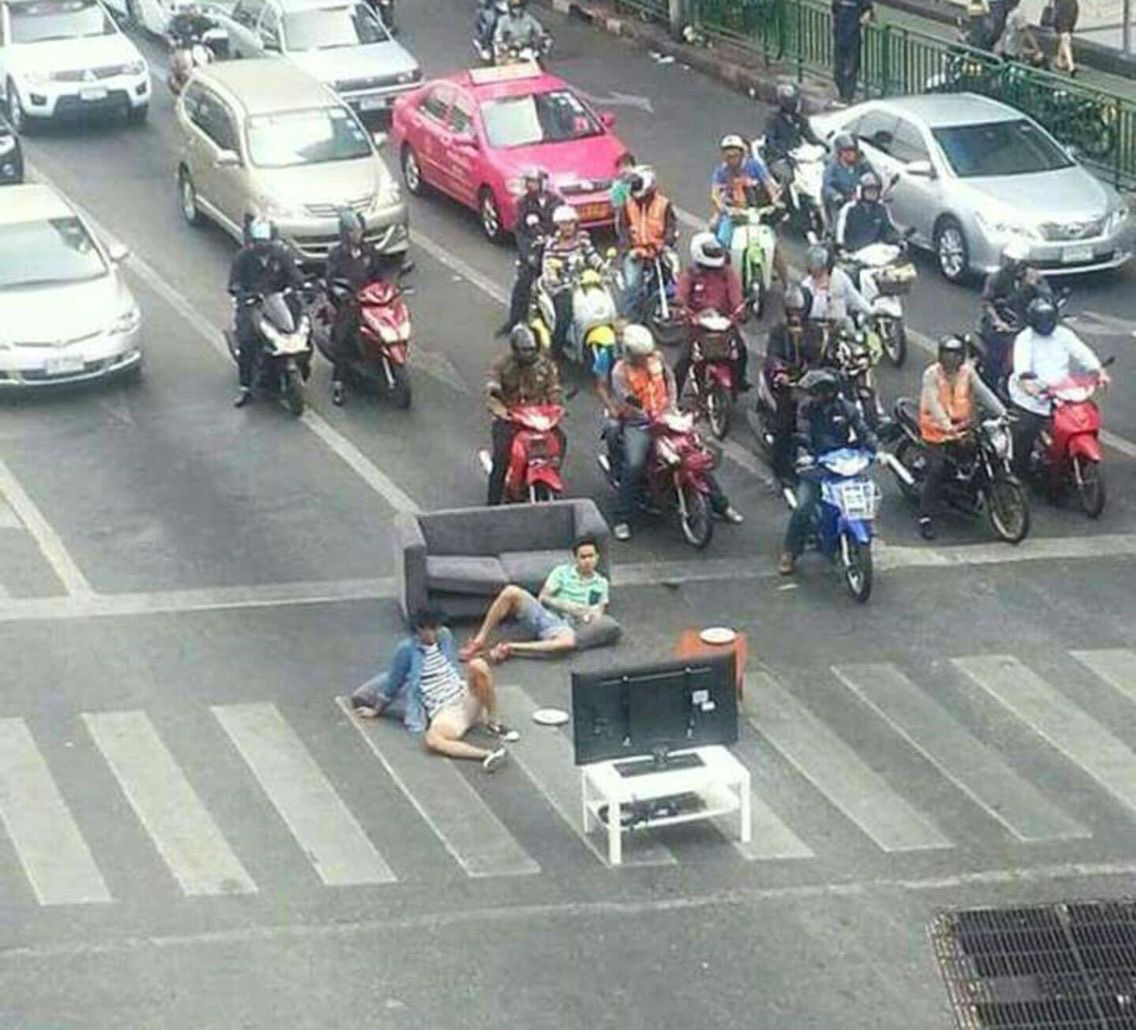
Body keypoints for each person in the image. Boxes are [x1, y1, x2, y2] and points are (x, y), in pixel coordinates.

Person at [609, 324, 743, 541]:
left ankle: (723, 505)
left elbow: (671, 381)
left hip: (668, 417)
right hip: (640, 424)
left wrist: (671, 406)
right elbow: (626, 399)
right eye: (641, 355)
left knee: (692, 456)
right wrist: (645, 415)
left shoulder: (658, 360)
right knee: (634, 465)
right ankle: (622, 519)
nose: (646, 359)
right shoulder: (619, 371)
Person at [348, 608, 514, 773]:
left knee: (478, 666)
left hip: (464, 693)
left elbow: (454, 663)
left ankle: (494, 723)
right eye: (432, 629)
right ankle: (487, 755)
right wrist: (376, 710)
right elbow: (393, 683)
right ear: (420, 629)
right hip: (444, 710)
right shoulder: (407, 650)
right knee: (433, 740)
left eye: (437, 627)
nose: (436, 631)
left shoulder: (444, 636)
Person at [457, 536, 620, 663]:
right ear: (575, 558)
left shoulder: (601, 583)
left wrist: (589, 616)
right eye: (583, 557)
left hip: (568, 627)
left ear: (597, 557)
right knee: (511, 591)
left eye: (591, 556)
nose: (587, 561)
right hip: (546, 616)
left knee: (569, 642)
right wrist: (568, 606)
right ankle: (479, 640)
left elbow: (598, 613)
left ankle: (511, 647)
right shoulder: (561, 572)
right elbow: (543, 597)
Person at [778, 368, 877, 574]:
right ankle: (789, 552)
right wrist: (805, 455)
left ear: (827, 392)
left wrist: (878, 451)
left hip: (843, 464)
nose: (811, 396)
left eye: (815, 392)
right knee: (803, 507)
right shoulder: (806, 408)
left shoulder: (846, 408)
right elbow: (803, 432)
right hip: (816, 466)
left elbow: (864, 431)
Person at [917, 334, 1007, 540]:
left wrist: (1003, 413)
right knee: (936, 470)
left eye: (956, 354)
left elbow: (984, 393)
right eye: (947, 353)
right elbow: (933, 403)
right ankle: (926, 517)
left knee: (983, 453)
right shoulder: (931, 374)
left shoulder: (967, 372)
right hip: (936, 429)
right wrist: (946, 426)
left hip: (963, 425)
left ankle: (968, 491)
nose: (951, 358)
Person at [1007, 296, 1106, 477]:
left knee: (1088, 411)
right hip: (1034, 396)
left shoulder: (1063, 334)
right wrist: (1029, 385)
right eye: (1041, 320)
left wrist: (1098, 370)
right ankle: (1019, 471)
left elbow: (1082, 353)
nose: (1045, 324)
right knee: (1027, 429)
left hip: (1063, 390)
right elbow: (1022, 368)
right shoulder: (1024, 339)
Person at [228, 215, 303, 408]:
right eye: (260, 242)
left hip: (277, 304)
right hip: (252, 305)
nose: (264, 246)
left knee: (301, 327)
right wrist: (242, 292)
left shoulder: (282, 255)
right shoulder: (243, 258)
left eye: (267, 241)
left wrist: (301, 286)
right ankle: (245, 386)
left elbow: (295, 276)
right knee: (246, 341)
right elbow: (234, 283)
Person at [485, 324, 563, 505]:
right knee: (501, 456)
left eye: (531, 350)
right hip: (510, 419)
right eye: (524, 350)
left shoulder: (546, 366)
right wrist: (501, 411)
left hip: (538, 419)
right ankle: (492, 503)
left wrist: (557, 407)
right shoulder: (502, 365)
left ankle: (551, 471)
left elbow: (554, 389)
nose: (528, 354)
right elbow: (491, 390)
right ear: (515, 349)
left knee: (560, 440)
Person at [672, 231, 750, 397]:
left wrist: (740, 310)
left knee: (741, 352)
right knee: (682, 361)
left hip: (724, 323)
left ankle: (739, 381)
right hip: (697, 325)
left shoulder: (727, 273)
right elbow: (681, 296)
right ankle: (673, 399)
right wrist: (683, 311)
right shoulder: (690, 274)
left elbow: (736, 295)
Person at [764, 283, 827, 482]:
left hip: (812, 383)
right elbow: (772, 356)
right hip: (788, 384)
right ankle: (780, 470)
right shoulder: (779, 331)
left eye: (798, 310)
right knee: (785, 425)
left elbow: (821, 356)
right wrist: (781, 374)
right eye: (792, 310)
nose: (795, 314)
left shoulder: (816, 331)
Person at [324, 209, 385, 406]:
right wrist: (342, 294)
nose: (358, 234)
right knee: (342, 338)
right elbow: (331, 280)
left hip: (370, 299)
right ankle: (338, 383)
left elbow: (378, 277)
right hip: (349, 302)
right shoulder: (336, 255)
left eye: (359, 230)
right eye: (353, 231)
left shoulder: (369, 251)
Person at [711, 134, 787, 286]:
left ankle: (787, 285)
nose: (732, 160)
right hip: (734, 215)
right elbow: (715, 193)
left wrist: (775, 201)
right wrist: (722, 207)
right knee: (721, 245)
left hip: (756, 213)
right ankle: (722, 283)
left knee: (773, 247)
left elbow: (768, 184)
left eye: (735, 155)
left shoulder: (754, 166)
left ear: (742, 154)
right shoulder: (721, 172)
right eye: (729, 156)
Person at [978, 236, 1053, 390]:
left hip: (1025, 326)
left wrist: (1035, 286)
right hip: (1000, 326)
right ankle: (990, 385)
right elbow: (987, 303)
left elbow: (1048, 298)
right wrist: (997, 321)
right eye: (1007, 259)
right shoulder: (996, 278)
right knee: (997, 354)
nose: (1008, 263)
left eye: (1012, 260)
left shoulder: (1034, 278)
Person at [501, 167, 562, 333]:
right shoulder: (523, 203)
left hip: (554, 251)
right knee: (523, 283)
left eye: (533, 182)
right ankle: (515, 321)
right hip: (533, 252)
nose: (530, 185)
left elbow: (562, 227)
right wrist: (528, 255)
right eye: (528, 182)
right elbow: (520, 231)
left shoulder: (557, 202)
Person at [541, 204, 605, 357]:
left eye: (570, 223)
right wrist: (555, 279)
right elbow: (548, 266)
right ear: (558, 225)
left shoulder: (582, 239)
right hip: (563, 287)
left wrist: (603, 268)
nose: (568, 227)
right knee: (565, 316)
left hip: (584, 283)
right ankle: (555, 352)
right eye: (564, 223)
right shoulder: (553, 244)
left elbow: (591, 255)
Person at [617, 165, 677, 319]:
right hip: (636, 251)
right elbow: (623, 230)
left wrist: (666, 244)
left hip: (659, 250)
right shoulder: (627, 205)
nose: (633, 187)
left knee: (673, 278)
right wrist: (629, 249)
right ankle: (629, 320)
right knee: (632, 286)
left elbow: (671, 227)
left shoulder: (664, 204)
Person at [763, 82, 823, 187]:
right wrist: (783, 152)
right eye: (794, 102)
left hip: (799, 157)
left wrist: (824, 146)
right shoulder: (772, 119)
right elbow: (771, 141)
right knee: (789, 177)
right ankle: (786, 201)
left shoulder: (800, 119)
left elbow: (810, 137)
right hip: (779, 158)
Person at [800, 243, 872, 327]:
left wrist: (872, 312)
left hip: (839, 328)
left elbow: (855, 299)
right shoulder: (806, 286)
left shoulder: (840, 278)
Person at [835, 171, 902, 254]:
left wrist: (897, 240)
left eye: (875, 191)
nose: (872, 194)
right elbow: (840, 231)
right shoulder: (849, 209)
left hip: (874, 253)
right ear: (861, 191)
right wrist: (840, 247)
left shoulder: (882, 209)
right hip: (853, 254)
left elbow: (889, 229)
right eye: (869, 191)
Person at [821, 133, 872, 228]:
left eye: (852, 151)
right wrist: (836, 195)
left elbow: (872, 178)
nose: (850, 154)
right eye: (846, 151)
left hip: (856, 198)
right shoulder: (833, 166)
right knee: (838, 221)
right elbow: (827, 184)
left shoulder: (862, 165)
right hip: (838, 199)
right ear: (840, 153)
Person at [832, 0, 873, 105]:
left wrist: (866, 17)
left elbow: (867, 12)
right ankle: (842, 95)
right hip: (839, 36)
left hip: (853, 37)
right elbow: (834, 11)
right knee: (838, 70)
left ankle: (847, 97)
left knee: (850, 70)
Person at [1053, 0, 1078, 74]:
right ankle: (1060, 60)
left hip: (1062, 6)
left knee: (1064, 36)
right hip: (1072, 5)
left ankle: (1071, 65)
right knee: (1065, 35)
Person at [609, 152, 637, 216]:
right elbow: (616, 205)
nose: (624, 169)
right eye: (621, 167)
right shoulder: (617, 185)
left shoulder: (642, 179)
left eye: (627, 165)